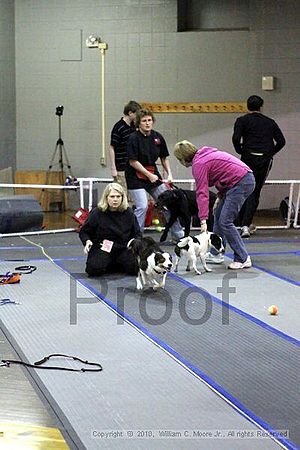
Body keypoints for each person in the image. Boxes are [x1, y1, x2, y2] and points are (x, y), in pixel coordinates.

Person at [174, 140, 255, 270]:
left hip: (241, 183)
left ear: (182, 159)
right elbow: (223, 174)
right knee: (218, 215)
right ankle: (216, 253)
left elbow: (202, 193)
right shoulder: (204, 156)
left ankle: (243, 258)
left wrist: (203, 220)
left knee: (225, 221)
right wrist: (220, 196)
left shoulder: (199, 163)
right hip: (240, 181)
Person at [125, 108, 184, 240]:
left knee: (168, 202)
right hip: (135, 176)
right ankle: (136, 237)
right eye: (144, 121)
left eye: (150, 120)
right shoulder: (133, 139)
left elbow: (164, 158)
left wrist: (169, 174)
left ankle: (179, 235)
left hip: (153, 174)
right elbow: (133, 162)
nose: (147, 123)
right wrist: (148, 175)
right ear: (139, 123)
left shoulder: (157, 137)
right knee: (142, 206)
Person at [232, 95, 286, 237]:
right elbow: (281, 141)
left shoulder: (241, 121)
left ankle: (239, 223)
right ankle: (245, 225)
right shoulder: (270, 122)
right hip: (264, 160)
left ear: (247, 107)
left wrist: (241, 151)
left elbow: (236, 139)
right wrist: (270, 153)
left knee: (244, 189)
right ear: (261, 107)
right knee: (255, 192)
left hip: (247, 158)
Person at [79, 182, 141, 276]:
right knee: (94, 270)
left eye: (118, 196)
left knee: (135, 269)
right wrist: (87, 241)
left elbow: (137, 233)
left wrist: (134, 246)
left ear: (122, 198)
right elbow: (84, 231)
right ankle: (112, 263)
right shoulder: (97, 212)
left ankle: (114, 263)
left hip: (123, 248)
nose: (115, 200)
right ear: (106, 197)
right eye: (112, 197)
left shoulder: (129, 212)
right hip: (103, 247)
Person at [109, 100, 141, 189]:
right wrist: (113, 168)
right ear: (130, 113)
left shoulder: (134, 126)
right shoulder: (118, 127)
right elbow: (112, 148)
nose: (138, 117)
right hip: (121, 168)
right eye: (137, 114)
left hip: (132, 168)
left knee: (132, 196)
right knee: (122, 194)